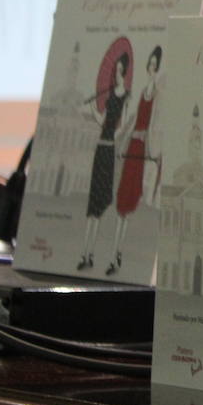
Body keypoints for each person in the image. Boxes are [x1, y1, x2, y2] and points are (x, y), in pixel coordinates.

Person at [108, 44, 162, 275]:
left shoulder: (156, 94)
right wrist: (121, 141)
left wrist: (152, 152)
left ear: (157, 69)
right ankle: (115, 253)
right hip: (133, 147)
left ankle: (118, 253)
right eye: (149, 65)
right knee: (122, 201)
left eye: (153, 66)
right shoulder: (142, 92)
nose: (150, 69)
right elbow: (135, 122)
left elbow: (151, 126)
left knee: (129, 201)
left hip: (141, 150)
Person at [79, 47, 130, 271]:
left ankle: (95, 254)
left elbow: (121, 127)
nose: (116, 74)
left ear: (124, 72)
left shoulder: (126, 97)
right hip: (101, 148)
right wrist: (92, 110)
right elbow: (104, 119)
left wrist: (106, 126)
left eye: (119, 70)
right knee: (92, 205)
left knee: (100, 202)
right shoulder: (109, 95)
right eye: (115, 70)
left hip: (109, 149)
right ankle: (86, 254)